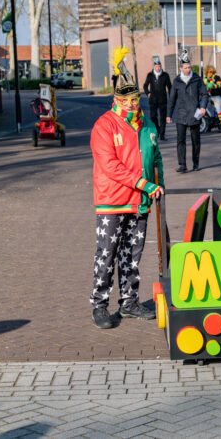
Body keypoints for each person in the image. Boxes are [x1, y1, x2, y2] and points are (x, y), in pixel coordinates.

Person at [89, 47, 163, 329]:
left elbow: (156, 159)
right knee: (107, 253)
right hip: (112, 201)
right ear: (116, 100)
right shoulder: (104, 126)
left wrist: (159, 186)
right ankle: (99, 304)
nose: (132, 105)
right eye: (127, 100)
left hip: (140, 202)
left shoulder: (149, 126)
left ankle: (129, 302)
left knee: (132, 255)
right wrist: (144, 183)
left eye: (135, 99)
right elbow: (110, 165)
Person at [167, 51, 208, 173]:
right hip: (181, 115)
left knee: (196, 141)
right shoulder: (177, 81)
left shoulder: (197, 79)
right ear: (181, 68)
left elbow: (204, 94)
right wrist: (169, 115)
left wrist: (203, 106)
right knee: (181, 140)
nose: (188, 69)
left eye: (189, 67)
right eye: (185, 68)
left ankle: (196, 164)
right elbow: (172, 99)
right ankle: (182, 164)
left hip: (195, 114)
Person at [142, 56, 172, 140]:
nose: (158, 68)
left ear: (161, 66)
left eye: (159, 66)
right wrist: (148, 93)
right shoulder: (150, 75)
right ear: (154, 67)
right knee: (153, 116)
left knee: (163, 118)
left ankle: (162, 135)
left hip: (163, 100)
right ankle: (157, 130)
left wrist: (171, 97)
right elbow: (145, 85)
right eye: (156, 67)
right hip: (153, 100)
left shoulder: (165, 75)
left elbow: (170, 87)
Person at [203, 65, 221, 130]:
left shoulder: (217, 77)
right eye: (208, 72)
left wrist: (212, 85)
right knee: (204, 108)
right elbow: (203, 86)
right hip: (208, 97)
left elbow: (218, 85)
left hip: (217, 96)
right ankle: (209, 123)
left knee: (218, 109)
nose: (209, 73)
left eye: (211, 72)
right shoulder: (205, 79)